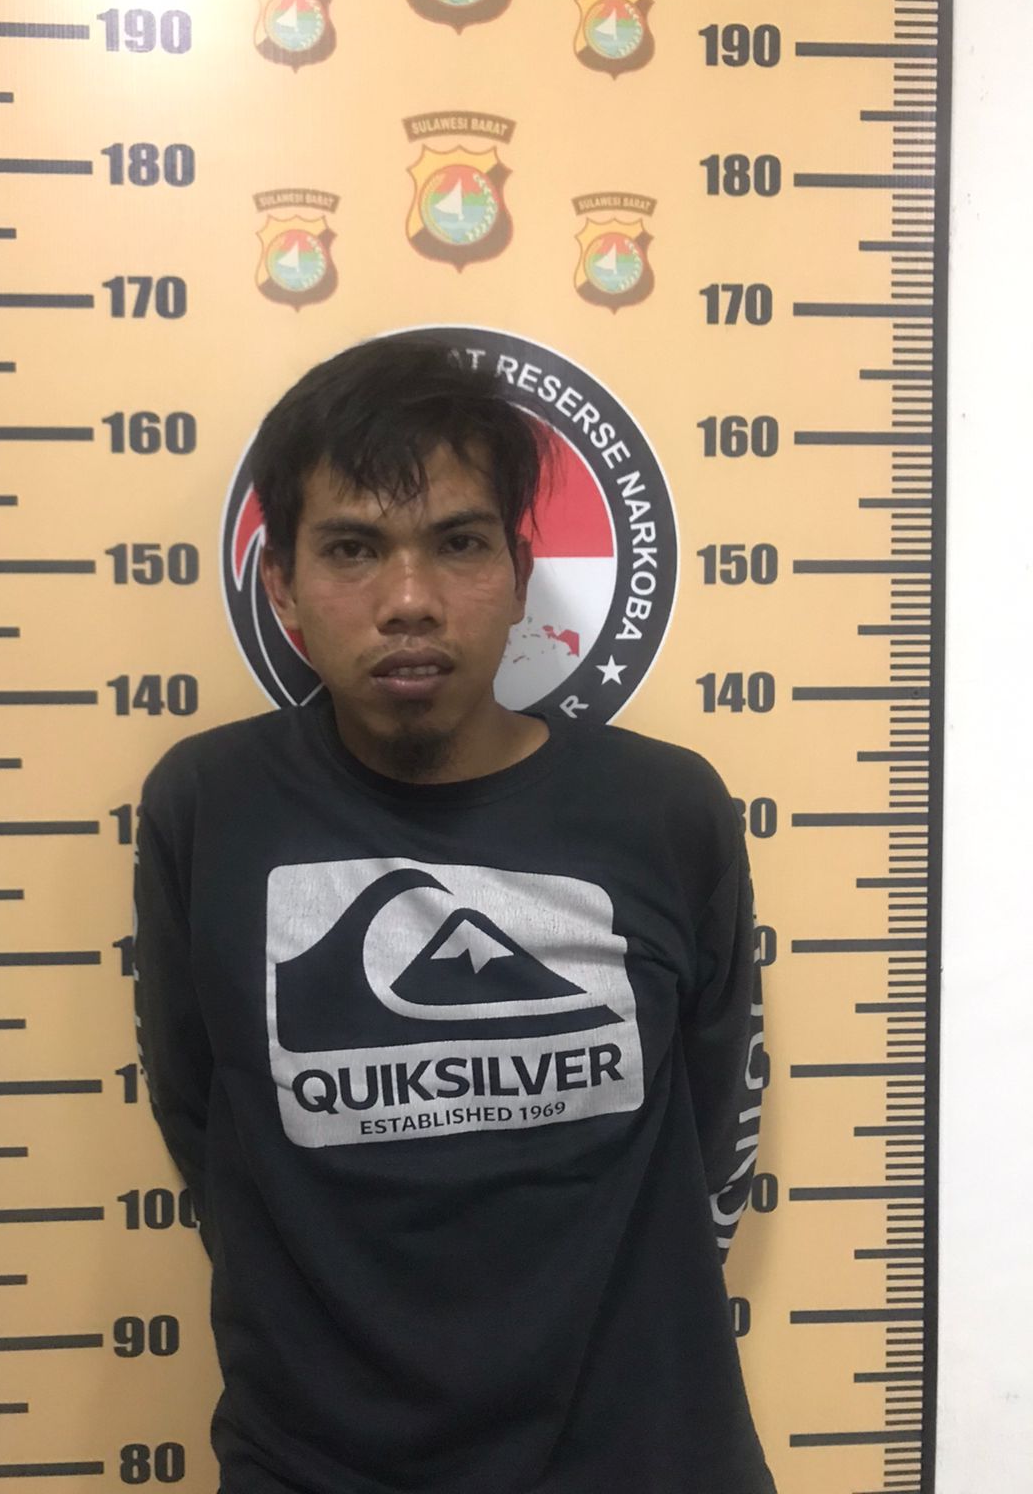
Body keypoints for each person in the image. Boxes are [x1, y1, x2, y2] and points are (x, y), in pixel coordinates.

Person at [131, 333, 776, 1494]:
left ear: (521, 573)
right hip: (315, 1465)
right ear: (280, 584)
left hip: (643, 1457)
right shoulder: (207, 808)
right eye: (352, 549)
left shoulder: (666, 809)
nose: (410, 601)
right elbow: (201, 1110)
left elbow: (714, 1111)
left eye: (460, 543)